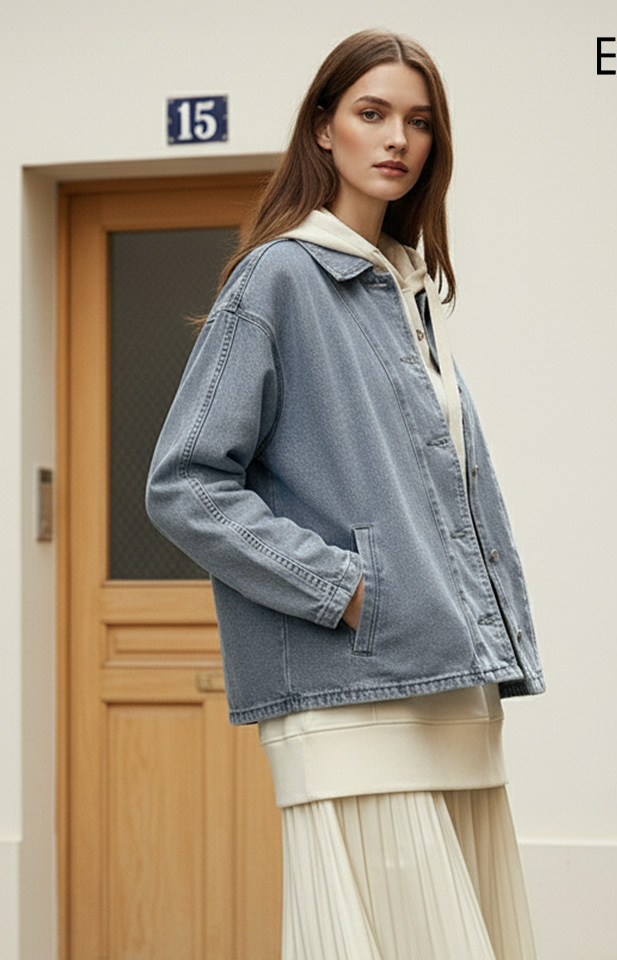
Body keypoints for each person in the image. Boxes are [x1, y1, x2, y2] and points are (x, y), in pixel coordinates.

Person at [146, 27, 546, 960]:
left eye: (419, 121)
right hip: (358, 692)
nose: (398, 138)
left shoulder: (404, 288)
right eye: (373, 113)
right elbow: (186, 484)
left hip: (450, 683)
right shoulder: (281, 277)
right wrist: (349, 588)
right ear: (323, 128)